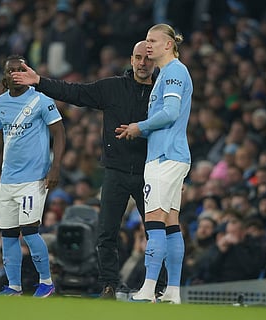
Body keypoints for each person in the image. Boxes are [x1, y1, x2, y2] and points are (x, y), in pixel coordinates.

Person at [11, 41, 156, 299]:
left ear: (155, 61)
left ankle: (158, 286)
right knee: (106, 232)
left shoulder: (162, 91)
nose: (143, 64)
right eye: (138, 58)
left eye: (147, 59)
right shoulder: (112, 88)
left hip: (151, 172)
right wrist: (39, 81)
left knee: (156, 233)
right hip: (116, 170)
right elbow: (74, 93)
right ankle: (110, 285)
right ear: (131, 60)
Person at [116, 23, 193, 304]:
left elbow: (171, 113)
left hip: (165, 158)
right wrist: (139, 129)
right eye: (146, 40)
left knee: (155, 222)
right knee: (171, 223)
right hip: (171, 156)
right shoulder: (165, 74)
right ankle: (172, 290)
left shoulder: (173, 71)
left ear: (168, 44)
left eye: (152, 40)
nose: (148, 45)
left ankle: (148, 287)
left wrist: (140, 125)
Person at [0, 55, 66, 297]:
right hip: (8, 179)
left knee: (29, 230)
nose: (16, 73)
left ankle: (46, 282)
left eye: (21, 69)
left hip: (34, 178)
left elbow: (59, 133)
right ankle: (14, 286)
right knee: (7, 233)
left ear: (28, 71)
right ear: (5, 76)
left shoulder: (40, 100)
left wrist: (55, 167)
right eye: (12, 70)